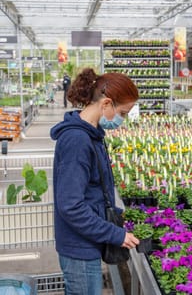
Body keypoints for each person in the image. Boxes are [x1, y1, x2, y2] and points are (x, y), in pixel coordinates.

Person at [50, 68, 140, 295]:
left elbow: (91, 190)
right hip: (79, 247)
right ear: (107, 103)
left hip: (87, 241)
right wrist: (116, 235)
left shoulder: (92, 134)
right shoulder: (77, 140)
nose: (123, 119)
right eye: (124, 112)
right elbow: (71, 205)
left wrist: (116, 214)